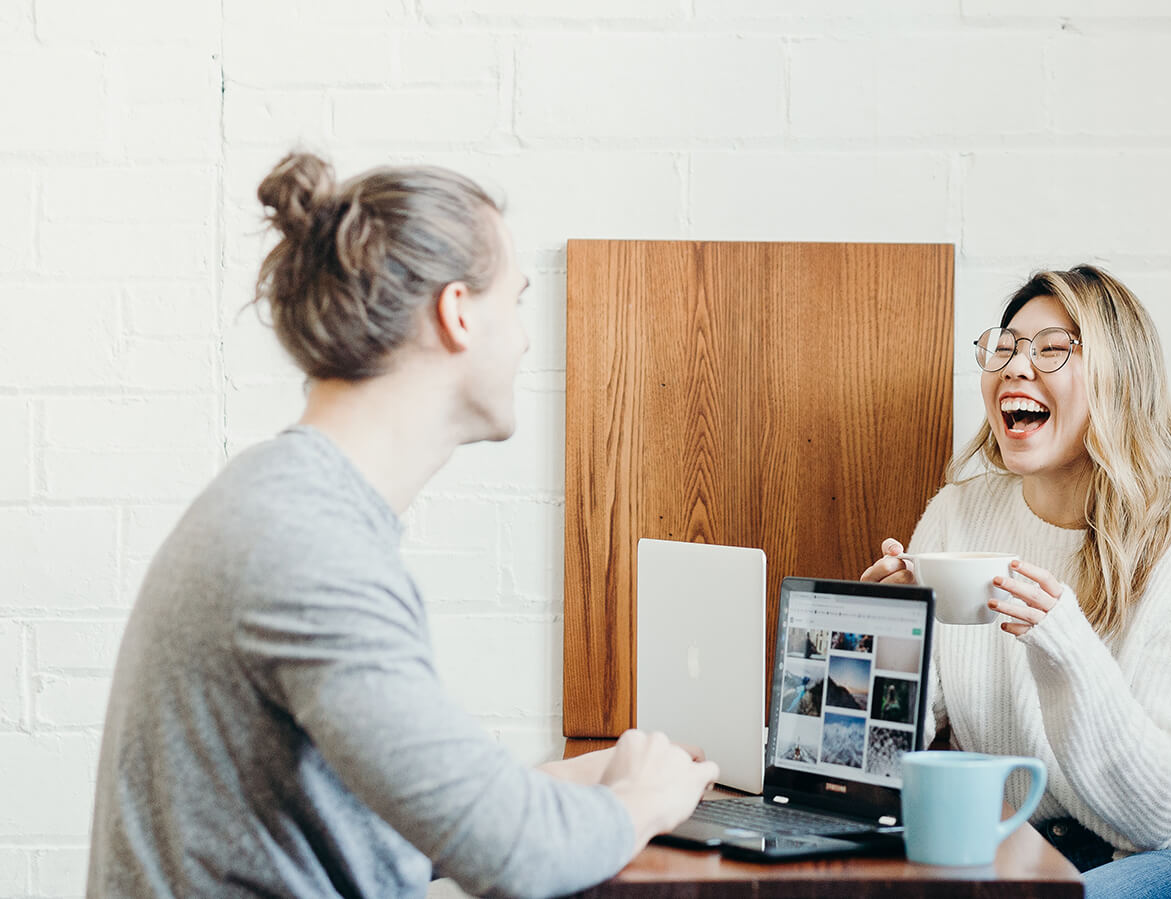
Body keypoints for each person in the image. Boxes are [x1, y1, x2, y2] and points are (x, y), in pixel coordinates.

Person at [87, 152, 719, 898]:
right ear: (457, 312)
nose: (523, 340)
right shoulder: (307, 548)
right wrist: (641, 802)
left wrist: (566, 782)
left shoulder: (286, 505)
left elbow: (372, 816)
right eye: (514, 303)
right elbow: (518, 857)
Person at [861, 266, 1171, 899]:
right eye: (1005, 347)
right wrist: (888, 637)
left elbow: (1153, 818)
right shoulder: (957, 515)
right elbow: (898, 747)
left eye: (1053, 350)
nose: (1016, 369)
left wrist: (1065, 646)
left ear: (1117, 380)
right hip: (1028, 848)